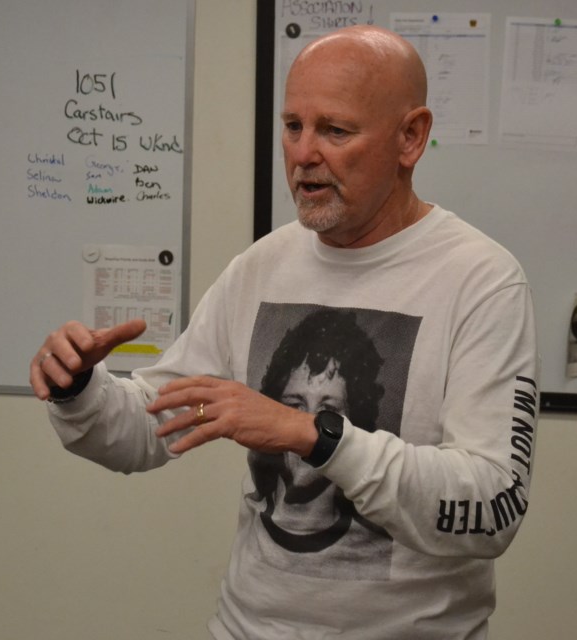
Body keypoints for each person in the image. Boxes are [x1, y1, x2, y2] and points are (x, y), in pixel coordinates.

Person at [30, 24, 539, 640]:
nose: (303, 154)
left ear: (411, 137)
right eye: (293, 126)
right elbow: (157, 421)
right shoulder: (264, 266)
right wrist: (80, 389)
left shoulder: (481, 281)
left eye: (335, 130)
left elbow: (491, 509)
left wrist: (315, 437)